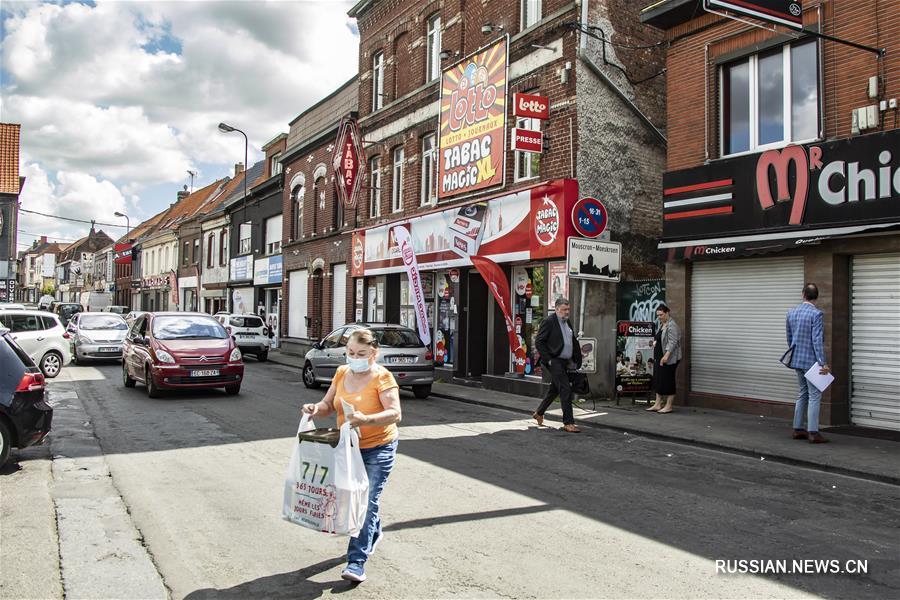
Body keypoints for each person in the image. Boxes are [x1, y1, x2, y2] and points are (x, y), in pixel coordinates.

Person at [301, 328, 402, 583]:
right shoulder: (342, 372)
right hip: (348, 448)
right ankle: (374, 530)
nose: (354, 357)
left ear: (373, 353)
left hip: (379, 447)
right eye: (350, 352)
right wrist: (315, 409)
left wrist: (366, 419)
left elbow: (395, 413)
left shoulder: (383, 377)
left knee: (365, 501)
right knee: (354, 500)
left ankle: (356, 562)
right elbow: (327, 405)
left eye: (361, 353)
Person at [786, 283, 831, 443]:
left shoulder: (792, 313)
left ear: (803, 294)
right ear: (816, 297)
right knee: (814, 395)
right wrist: (822, 362)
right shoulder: (816, 314)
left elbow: (789, 338)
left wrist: (795, 353)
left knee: (803, 392)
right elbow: (817, 340)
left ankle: (798, 429)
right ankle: (813, 432)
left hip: (796, 359)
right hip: (811, 361)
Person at [532, 297, 583, 433]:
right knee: (565, 388)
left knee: (555, 389)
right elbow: (539, 342)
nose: (567, 312)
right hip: (554, 361)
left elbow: (571, 340)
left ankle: (539, 412)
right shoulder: (549, 321)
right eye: (564, 309)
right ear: (556, 309)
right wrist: (548, 359)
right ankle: (568, 422)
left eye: (568, 309)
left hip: (565, 361)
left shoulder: (567, 322)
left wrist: (575, 358)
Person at [647, 304, 681, 413]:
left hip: (669, 358)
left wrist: (666, 356)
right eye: (657, 315)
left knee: (668, 381)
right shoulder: (663, 324)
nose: (659, 317)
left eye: (661, 315)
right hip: (659, 358)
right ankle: (657, 404)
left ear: (667, 313)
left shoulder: (672, 325)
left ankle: (669, 406)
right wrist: (655, 342)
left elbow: (672, 342)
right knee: (659, 380)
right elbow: (661, 338)